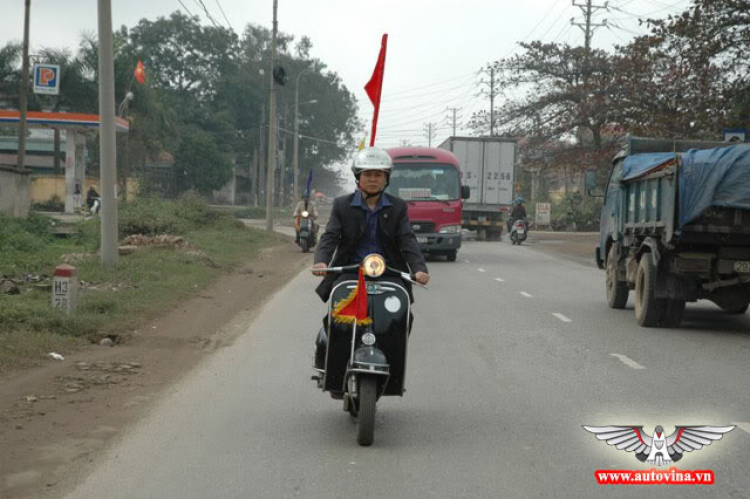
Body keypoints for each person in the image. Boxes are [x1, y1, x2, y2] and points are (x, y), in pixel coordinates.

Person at [310, 147, 430, 370]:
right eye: (368, 174)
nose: (373, 179)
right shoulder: (342, 205)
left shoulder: (397, 207)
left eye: (379, 174)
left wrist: (419, 269)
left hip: (389, 272)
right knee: (334, 317)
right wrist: (322, 261)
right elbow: (330, 237)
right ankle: (330, 362)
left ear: (386, 179)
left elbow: (408, 240)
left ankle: (391, 358)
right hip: (350, 270)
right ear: (358, 177)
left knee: (404, 317)